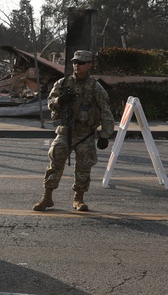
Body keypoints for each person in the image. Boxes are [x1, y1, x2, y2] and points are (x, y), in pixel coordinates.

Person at [33, 49, 114, 212]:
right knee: (55, 160)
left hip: (86, 133)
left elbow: (106, 110)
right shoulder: (62, 83)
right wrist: (60, 100)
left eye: (81, 63)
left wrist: (105, 134)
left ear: (89, 65)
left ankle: (79, 198)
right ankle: (47, 197)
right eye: (75, 62)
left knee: (84, 166)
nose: (77, 65)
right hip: (65, 131)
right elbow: (50, 102)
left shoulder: (95, 87)